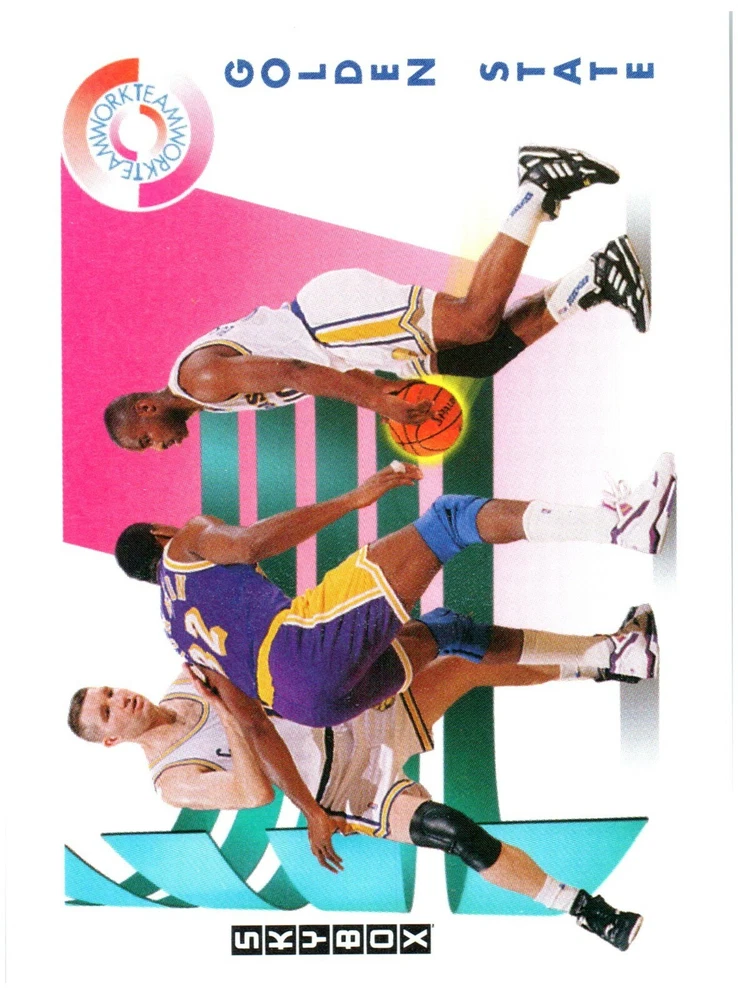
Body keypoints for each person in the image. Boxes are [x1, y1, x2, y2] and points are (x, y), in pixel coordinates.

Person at [68, 652, 647, 951]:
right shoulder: (172, 779)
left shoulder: (182, 680)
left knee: (463, 667)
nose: (122, 700)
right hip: (347, 787)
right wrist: (228, 710)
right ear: (111, 740)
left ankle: (605, 663)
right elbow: (253, 791)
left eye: (111, 691)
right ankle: (586, 911)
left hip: (356, 717)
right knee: (455, 833)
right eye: (108, 711)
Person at [103, 146, 650, 451]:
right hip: (338, 345)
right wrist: (375, 387)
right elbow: (302, 368)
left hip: (328, 323)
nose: (158, 448)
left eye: (145, 440)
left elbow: (296, 368)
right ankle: (596, 277)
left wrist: (374, 401)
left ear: (146, 409)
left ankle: (538, 185)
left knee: (474, 321)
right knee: (478, 357)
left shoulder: (200, 380)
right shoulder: (204, 399)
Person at [114, 454, 675, 733]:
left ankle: (613, 654)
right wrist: (353, 499)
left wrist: (309, 808)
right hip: (300, 651)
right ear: (162, 535)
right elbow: (251, 542)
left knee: (446, 632)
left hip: (309, 708)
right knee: (450, 519)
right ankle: (622, 525)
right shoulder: (187, 541)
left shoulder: (176, 636)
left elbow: (249, 721)